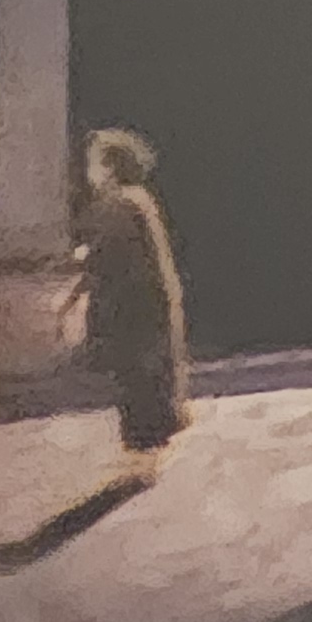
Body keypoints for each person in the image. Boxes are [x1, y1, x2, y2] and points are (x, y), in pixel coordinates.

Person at [71, 128, 191, 490]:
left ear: (109, 167)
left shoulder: (120, 204)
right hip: (146, 306)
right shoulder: (139, 200)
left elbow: (108, 258)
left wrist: (83, 264)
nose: (90, 171)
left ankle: (142, 462)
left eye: (95, 163)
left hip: (131, 310)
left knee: (137, 384)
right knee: (145, 382)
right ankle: (146, 459)